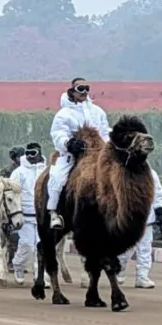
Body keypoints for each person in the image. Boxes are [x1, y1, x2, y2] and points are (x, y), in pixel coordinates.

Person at [46, 77, 110, 230]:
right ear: (72, 92)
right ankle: (53, 212)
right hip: (73, 155)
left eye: (87, 88)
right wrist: (69, 143)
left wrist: (108, 145)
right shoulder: (64, 114)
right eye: (81, 89)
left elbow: (105, 132)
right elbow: (58, 133)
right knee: (57, 178)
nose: (84, 92)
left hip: (97, 154)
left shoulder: (98, 112)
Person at [119, 167, 162, 289]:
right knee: (126, 247)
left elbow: (157, 192)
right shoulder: (123, 172)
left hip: (146, 217)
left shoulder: (151, 173)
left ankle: (142, 277)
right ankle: (119, 272)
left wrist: (159, 210)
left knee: (145, 248)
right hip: (129, 217)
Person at [9, 142, 47, 285]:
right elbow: (11, 194)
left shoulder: (47, 170)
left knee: (41, 245)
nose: (30, 156)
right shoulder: (18, 172)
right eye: (28, 153)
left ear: (39, 153)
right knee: (27, 245)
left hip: (42, 215)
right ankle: (18, 265)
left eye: (33, 153)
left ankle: (40, 276)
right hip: (25, 215)